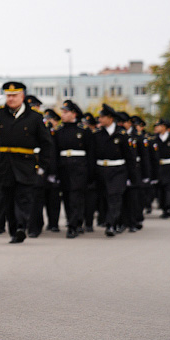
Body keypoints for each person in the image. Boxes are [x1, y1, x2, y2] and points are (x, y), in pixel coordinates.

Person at [0, 82, 53, 244]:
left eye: (14, 95)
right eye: (8, 95)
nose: (10, 99)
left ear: (22, 96)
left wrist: (43, 166)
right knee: (8, 199)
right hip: (5, 164)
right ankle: (14, 230)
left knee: (24, 198)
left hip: (26, 164)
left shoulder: (35, 117)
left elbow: (47, 144)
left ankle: (21, 226)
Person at [92, 104, 135, 236]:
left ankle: (111, 224)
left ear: (110, 118)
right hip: (101, 169)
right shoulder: (97, 134)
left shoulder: (121, 134)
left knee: (114, 197)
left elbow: (130, 156)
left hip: (118, 170)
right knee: (104, 198)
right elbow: (92, 155)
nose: (99, 119)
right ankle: (111, 221)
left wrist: (131, 176)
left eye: (102, 117)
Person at [52, 100, 94, 238]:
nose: (62, 115)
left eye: (65, 112)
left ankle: (73, 225)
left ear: (74, 113)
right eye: (62, 112)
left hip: (79, 167)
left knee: (76, 196)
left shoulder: (84, 130)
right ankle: (74, 221)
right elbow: (55, 152)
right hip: (64, 167)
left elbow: (91, 152)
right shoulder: (59, 131)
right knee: (67, 195)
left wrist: (91, 172)